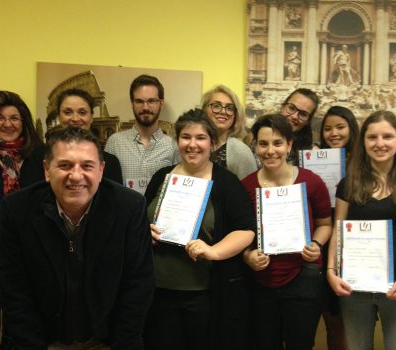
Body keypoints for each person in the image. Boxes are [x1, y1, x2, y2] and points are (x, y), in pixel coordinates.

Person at [0, 127, 154, 349]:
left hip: (107, 341)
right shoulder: (16, 209)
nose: (76, 175)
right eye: (65, 165)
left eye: (87, 166)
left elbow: (138, 285)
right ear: (46, 170)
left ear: (101, 171)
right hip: (41, 341)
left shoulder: (129, 208)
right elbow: (14, 289)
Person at [143, 109, 255, 350]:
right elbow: (140, 220)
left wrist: (214, 250)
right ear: (177, 141)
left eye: (200, 138)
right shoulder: (161, 177)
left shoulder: (226, 183)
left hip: (205, 295)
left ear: (212, 143)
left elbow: (246, 230)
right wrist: (145, 233)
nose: (192, 144)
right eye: (186, 137)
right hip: (158, 292)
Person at [327, 110, 396, 350]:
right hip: (354, 288)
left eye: (387, 136)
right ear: (363, 142)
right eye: (372, 137)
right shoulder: (349, 184)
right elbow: (338, 231)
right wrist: (330, 270)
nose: (380, 144)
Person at [241, 114, 332, 350]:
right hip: (262, 280)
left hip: (304, 277)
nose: (270, 150)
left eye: (278, 143)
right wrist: (247, 256)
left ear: (289, 145)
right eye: (263, 144)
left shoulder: (311, 182)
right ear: (255, 146)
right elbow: (241, 233)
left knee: (300, 344)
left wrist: (316, 244)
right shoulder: (246, 187)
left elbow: (325, 223)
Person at [0, 90, 45, 349]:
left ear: (24, 122)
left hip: (32, 261)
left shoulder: (39, 158)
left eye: (15, 118)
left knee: (25, 332)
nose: (7, 124)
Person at [318, 105, 360, 350]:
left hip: (355, 244)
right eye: (327, 128)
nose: (333, 133)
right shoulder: (315, 160)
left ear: (351, 129)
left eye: (340, 127)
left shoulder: (365, 162)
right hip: (325, 240)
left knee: (353, 317)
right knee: (332, 315)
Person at [105, 74, 179, 194]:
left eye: (151, 101)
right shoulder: (115, 142)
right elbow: (106, 187)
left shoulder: (173, 146)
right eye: (139, 101)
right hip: (125, 212)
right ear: (132, 103)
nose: (145, 107)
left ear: (161, 103)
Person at [55, 88, 123, 184]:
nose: (75, 119)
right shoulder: (39, 157)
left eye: (82, 113)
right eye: (67, 112)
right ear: (59, 117)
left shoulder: (110, 163)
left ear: (91, 117)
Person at [200, 85, 257, 179]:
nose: (223, 111)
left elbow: (247, 190)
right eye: (216, 106)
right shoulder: (191, 143)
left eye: (230, 108)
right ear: (204, 110)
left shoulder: (241, 151)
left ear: (235, 115)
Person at [280, 88, 319, 164]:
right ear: (282, 107)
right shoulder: (256, 137)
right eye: (291, 108)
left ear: (308, 121)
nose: (294, 116)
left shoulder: (311, 152)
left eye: (303, 114)